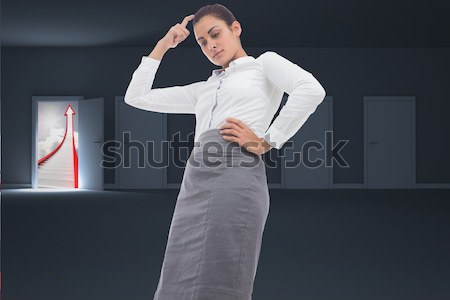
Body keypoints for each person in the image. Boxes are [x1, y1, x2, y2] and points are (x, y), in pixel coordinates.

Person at [124, 3, 326, 300]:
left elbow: (311, 90)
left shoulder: (263, 66)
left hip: (236, 176)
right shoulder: (205, 87)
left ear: (236, 28)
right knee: (177, 272)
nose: (211, 45)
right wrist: (163, 45)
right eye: (202, 42)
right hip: (195, 181)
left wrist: (267, 141)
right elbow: (136, 96)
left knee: (223, 270)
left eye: (215, 34)